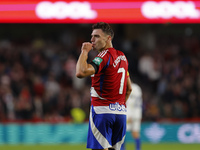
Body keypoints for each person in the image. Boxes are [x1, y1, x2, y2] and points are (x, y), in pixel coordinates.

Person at [76, 22, 132, 150]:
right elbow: (129, 89)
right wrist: (118, 105)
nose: (92, 40)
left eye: (96, 36)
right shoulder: (123, 57)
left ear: (108, 38)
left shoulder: (103, 56)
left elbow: (80, 72)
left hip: (102, 112)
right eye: (92, 36)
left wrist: (84, 51)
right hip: (120, 114)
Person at [126, 82, 143, 150]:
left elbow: (130, 103)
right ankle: (138, 148)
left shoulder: (128, 87)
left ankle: (122, 148)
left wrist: (130, 115)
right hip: (137, 113)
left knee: (122, 132)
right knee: (135, 133)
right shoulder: (137, 88)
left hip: (130, 114)